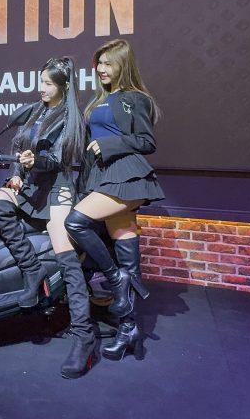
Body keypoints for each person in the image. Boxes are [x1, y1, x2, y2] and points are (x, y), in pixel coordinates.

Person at [0, 57, 97, 378]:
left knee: (66, 256)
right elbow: (21, 148)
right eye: (41, 82)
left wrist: (35, 161)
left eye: (48, 83)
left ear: (63, 86)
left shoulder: (72, 119)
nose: (42, 88)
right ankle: (32, 271)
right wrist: (18, 173)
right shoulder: (36, 111)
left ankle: (83, 334)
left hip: (57, 188)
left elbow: (56, 159)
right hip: (32, 186)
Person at [64, 38, 165, 362]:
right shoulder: (102, 99)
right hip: (103, 176)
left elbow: (147, 141)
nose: (102, 69)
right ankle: (129, 329)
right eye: (100, 64)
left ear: (123, 64)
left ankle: (114, 278)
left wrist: (109, 145)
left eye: (109, 63)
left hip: (126, 176)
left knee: (76, 222)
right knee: (127, 254)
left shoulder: (134, 98)